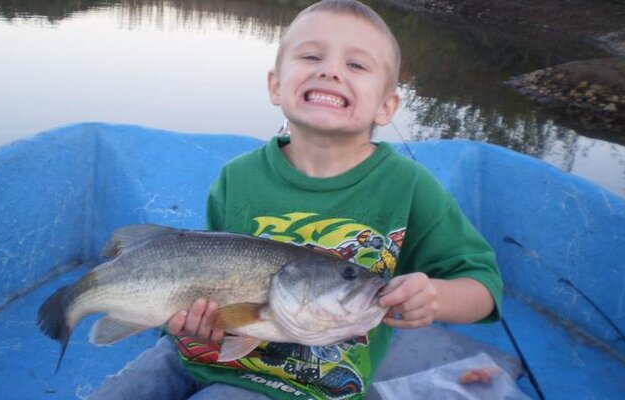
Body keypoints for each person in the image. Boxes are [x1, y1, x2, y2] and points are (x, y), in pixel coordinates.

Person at [90, 1, 502, 399]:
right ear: (276, 85)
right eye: (311, 57)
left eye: (355, 65)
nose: (330, 71)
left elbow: (482, 286)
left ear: (386, 106)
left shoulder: (411, 188)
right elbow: (201, 276)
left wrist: (435, 297)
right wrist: (194, 323)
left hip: (304, 387)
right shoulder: (238, 177)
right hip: (192, 353)